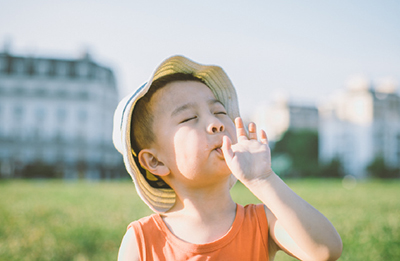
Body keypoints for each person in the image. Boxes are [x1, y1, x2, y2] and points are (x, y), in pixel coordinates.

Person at [113, 55, 342, 261]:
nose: (216, 123)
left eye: (219, 112)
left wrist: (263, 179)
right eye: (189, 118)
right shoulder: (142, 240)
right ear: (155, 161)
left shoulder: (263, 222)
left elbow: (325, 251)